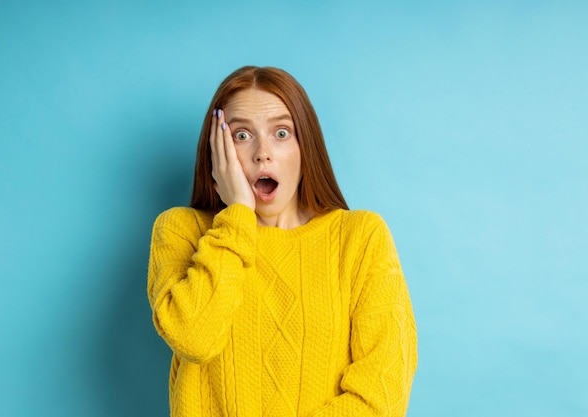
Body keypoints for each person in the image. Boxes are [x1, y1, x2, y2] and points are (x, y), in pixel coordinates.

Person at [147, 66, 417, 417]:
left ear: (307, 147)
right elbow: (194, 338)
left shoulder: (361, 238)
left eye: (281, 132)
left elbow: (382, 395)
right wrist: (239, 215)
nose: (263, 152)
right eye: (242, 136)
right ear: (217, 152)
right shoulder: (180, 231)